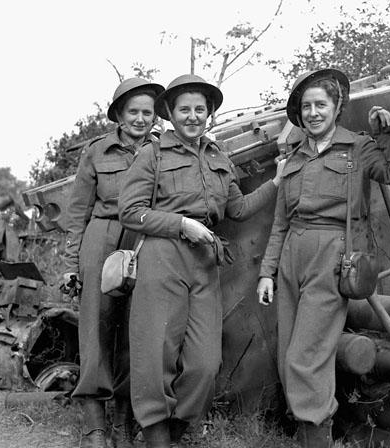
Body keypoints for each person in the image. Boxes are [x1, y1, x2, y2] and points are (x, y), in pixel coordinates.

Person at [118, 74, 286, 448]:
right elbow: (130, 212)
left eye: (200, 109)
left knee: (205, 363)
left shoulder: (218, 157)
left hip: (205, 261)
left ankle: (176, 429)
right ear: (170, 114)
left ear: (209, 113)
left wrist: (276, 181)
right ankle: (156, 435)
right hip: (163, 255)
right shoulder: (152, 154)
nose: (192, 116)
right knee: (155, 351)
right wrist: (181, 225)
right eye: (184, 109)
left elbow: (238, 209)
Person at [256, 69, 390, 448]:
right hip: (292, 257)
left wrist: (385, 133)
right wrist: (267, 272)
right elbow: (280, 222)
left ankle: (316, 439)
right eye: (307, 106)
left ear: (337, 107)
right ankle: (315, 433)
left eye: (321, 105)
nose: (313, 112)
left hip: (331, 257)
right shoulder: (293, 157)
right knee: (288, 358)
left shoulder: (358, 147)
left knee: (305, 356)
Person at [63, 77, 164, 448]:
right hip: (102, 238)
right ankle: (94, 426)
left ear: (155, 118)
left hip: (142, 239)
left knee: (134, 330)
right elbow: (77, 212)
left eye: (147, 113)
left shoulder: (161, 150)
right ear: (119, 116)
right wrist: (72, 263)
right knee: (96, 326)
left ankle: (122, 422)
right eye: (133, 112)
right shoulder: (97, 151)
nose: (140, 119)